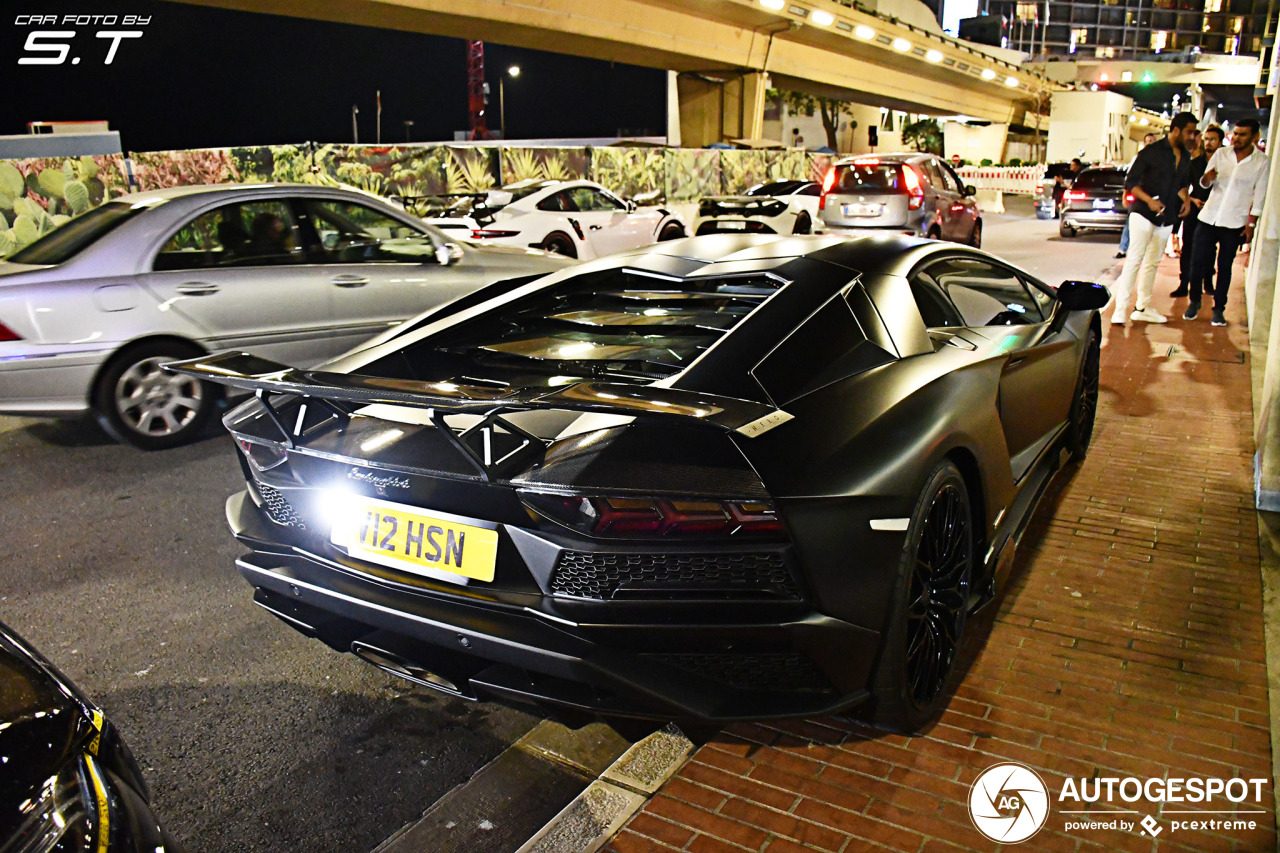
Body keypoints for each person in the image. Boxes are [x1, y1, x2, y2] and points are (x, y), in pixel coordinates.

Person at [1111, 113, 1197, 325]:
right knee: (1135, 259)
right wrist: (1149, 201)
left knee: (1153, 263)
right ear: (1176, 130)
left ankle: (1142, 307)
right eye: (1189, 132)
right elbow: (1130, 182)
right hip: (1142, 211)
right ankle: (1120, 310)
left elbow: (1182, 184)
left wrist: (1185, 199)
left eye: (1194, 132)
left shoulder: (1185, 156)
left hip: (1167, 216)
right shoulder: (1152, 151)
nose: (1192, 136)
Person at [1183, 118, 1269, 326]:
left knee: (1225, 266)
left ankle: (1219, 308)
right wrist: (1208, 178)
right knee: (1197, 261)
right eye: (1235, 134)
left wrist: (1251, 225)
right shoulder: (1221, 154)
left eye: (1242, 135)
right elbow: (1204, 183)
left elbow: (1259, 195)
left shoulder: (1261, 162)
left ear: (1254, 137)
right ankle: (1194, 301)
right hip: (1208, 217)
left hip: (1234, 221)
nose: (1236, 138)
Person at [1171, 125, 1221, 300]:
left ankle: (1208, 283)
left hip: (1215, 211)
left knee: (1209, 249)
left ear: (1220, 142)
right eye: (1206, 139)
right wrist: (1191, 200)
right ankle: (1184, 284)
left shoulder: (1224, 164)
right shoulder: (1194, 164)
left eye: (1213, 139)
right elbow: (1181, 186)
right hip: (1195, 210)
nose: (1208, 143)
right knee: (1188, 247)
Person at [1117, 133, 1159, 257]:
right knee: (1131, 221)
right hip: (1138, 196)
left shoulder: (1161, 159)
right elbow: (1129, 179)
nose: (1150, 143)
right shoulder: (1138, 158)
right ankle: (1123, 249)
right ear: (1144, 143)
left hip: (1155, 198)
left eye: (1153, 141)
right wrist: (1125, 196)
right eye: (1148, 141)